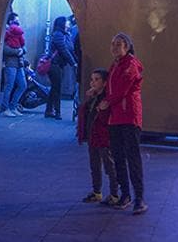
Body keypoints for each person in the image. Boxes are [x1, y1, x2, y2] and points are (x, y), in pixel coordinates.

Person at [102, 32, 146, 214]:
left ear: (127, 47)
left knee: (132, 157)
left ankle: (139, 199)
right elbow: (111, 87)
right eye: (113, 44)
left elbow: (122, 88)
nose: (114, 47)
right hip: (116, 117)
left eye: (118, 44)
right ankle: (125, 194)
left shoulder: (131, 64)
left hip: (129, 116)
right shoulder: (115, 65)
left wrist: (107, 102)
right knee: (118, 157)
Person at [77, 68, 119, 204]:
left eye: (97, 79)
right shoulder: (94, 97)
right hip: (92, 136)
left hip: (103, 137)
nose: (93, 82)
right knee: (94, 165)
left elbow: (105, 117)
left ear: (105, 82)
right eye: (92, 79)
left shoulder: (106, 99)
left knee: (109, 166)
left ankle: (114, 194)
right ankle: (97, 192)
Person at [44, 16, 78, 119]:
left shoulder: (66, 34)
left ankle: (49, 110)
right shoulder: (58, 35)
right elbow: (63, 50)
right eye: (67, 22)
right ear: (62, 24)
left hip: (60, 65)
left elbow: (70, 50)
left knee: (54, 88)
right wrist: (73, 63)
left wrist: (76, 60)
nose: (68, 24)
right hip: (54, 65)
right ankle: (57, 112)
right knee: (57, 88)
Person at [0, 13, 27, 116]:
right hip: (10, 63)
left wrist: (22, 50)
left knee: (22, 85)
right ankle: (5, 108)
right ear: (10, 21)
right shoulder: (7, 33)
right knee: (9, 85)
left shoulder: (18, 34)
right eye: (16, 21)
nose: (18, 23)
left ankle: (13, 106)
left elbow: (24, 46)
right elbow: (4, 49)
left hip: (19, 63)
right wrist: (17, 51)